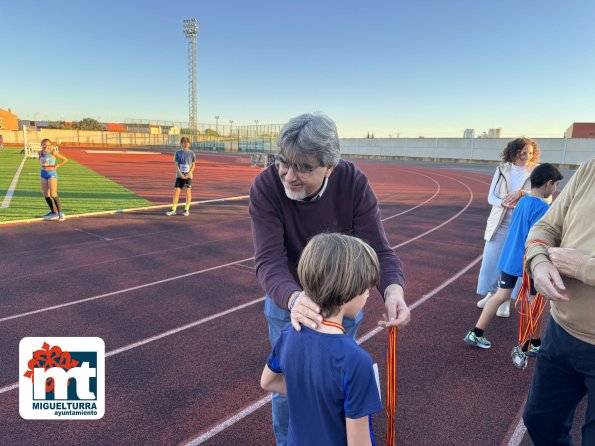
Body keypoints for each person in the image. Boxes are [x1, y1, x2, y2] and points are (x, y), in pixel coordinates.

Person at [249, 112, 409, 445]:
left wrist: (393, 291)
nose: (289, 176)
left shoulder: (352, 182)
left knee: (338, 386)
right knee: (289, 393)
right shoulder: (267, 186)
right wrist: (295, 300)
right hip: (288, 304)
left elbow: (378, 248)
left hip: (340, 303)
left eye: (304, 168)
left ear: (329, 167)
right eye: (283, 162)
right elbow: (268, 261)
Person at [261, 233, 383, 446]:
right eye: (365, 288)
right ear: (348, 291)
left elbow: (268, 381)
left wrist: (312, 395)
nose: (368, 294)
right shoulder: (356, 361)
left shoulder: (290, 333)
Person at [522, 158, 595, 445]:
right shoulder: (590, 167)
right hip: (562, 333)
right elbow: (545, 228)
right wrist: (538, 261)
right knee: (540, 420)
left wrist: (583, 267)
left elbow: (580, 264)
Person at [464, 163, 563, 350]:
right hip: (528, 260)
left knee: (500, 295)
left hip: (509, 256)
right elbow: (538, 237)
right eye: (555, 185)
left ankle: (476, 332)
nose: (555, 189)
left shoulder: (522, 201)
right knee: (535, 300)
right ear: (548, 184)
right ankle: (534, 343)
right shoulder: (543, 209)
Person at [476, 137, 541, 318]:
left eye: (529, 153)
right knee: (491, 260)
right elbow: (491, 197)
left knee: (513, 264)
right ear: (514, 153)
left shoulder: (536, 171)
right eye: (522, 154)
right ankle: (491, 294)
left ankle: (505, 300)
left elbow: (546, 196)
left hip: (522, 225)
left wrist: (523, 194)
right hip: (500, 222)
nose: (526, 157)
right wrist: (505, 203)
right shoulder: (502, 170)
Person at [39, 138, 68, 221]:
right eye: (44, 144)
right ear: (41, 144)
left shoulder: (53, 152)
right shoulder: (40, 153)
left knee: (53, 194)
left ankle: (60, 213)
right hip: (43, 174)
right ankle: (53, 212)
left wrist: (57, 166)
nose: (46, 146)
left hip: (52, 174)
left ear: (50, 146)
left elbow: (65, 160)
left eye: (48, 145)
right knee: (45, 195)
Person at [165, 136, 196, 217]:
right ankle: (173, 209)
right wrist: (181, 174)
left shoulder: (192, 153)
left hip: (188, 176)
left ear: (189, 144)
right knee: (176, 192)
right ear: (181, 143)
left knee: (188, 191)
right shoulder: (177, 153)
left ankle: (186, 209)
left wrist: (188, 174)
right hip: (179, 176)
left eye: (187, 142)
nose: (186, 144)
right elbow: (176, 165)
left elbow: (193, 165)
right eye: (184, 142)